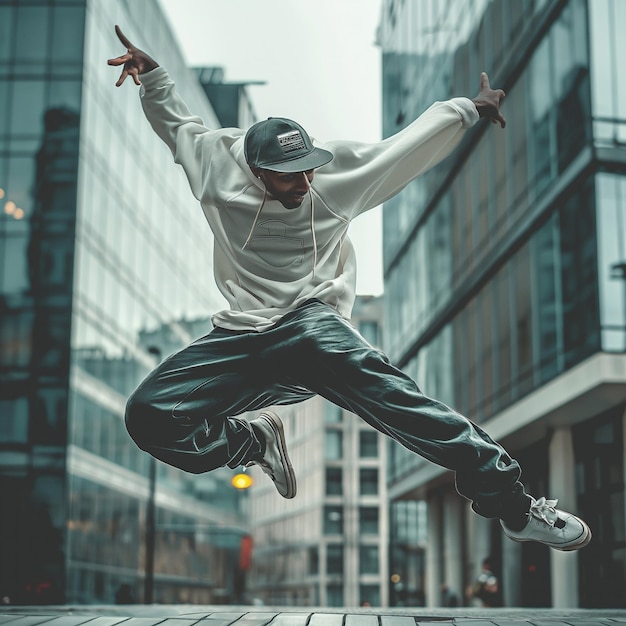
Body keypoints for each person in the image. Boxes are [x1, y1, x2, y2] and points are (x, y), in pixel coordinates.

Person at [108, 25, 591, 551]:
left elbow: (403, 149)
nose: (304, 185)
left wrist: (468, 109)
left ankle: (516, 508)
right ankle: (252, 441)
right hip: (241, 335)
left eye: (307, 172)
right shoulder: (214, 170)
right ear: (255, 170)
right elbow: (178, 125)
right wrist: (151, 76)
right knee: (149, 415)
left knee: (399, 400)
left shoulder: (337, 177)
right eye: (289, 177)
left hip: (312, 325)